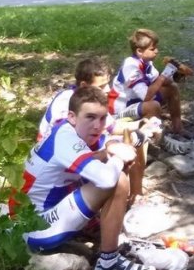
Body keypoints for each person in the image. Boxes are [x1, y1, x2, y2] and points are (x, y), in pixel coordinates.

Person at [18, 86, 156, 270]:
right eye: (90, 117)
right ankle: (109, 264)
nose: (97, 125)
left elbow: (100, 152)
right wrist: (118, 157)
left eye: (102, 118)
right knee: (117, 180)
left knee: (103, 169)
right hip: (35, 228)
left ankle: (98, 232)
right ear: (72, 117)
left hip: (35, 217)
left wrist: (111, 149)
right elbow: (107, 179)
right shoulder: (66, 139)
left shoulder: (70, 131)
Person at [38, 57, 158, 204]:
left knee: (136, 139)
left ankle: (135, 194)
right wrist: (110, 149)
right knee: (118, 164)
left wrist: (142, 126)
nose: (108, 89)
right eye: (102, 86)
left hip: (81, 143)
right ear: (83, 85)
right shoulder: (67, 102)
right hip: (60, 156)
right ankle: (115, 200)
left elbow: (113, 127)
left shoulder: (91, 99)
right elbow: (67, 139)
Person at [108, 28, 185, 135]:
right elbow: (146, 97)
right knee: (153, 106)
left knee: (172, 87)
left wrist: (175, 74)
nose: (157, 51)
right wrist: (163, 76)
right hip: (121, 110)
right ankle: (153, 137)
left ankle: (178, 127)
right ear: (139, 51)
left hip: (136, 102)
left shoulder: (147, 63)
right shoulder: (130, 66)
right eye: (152, 49)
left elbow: (159, 82)